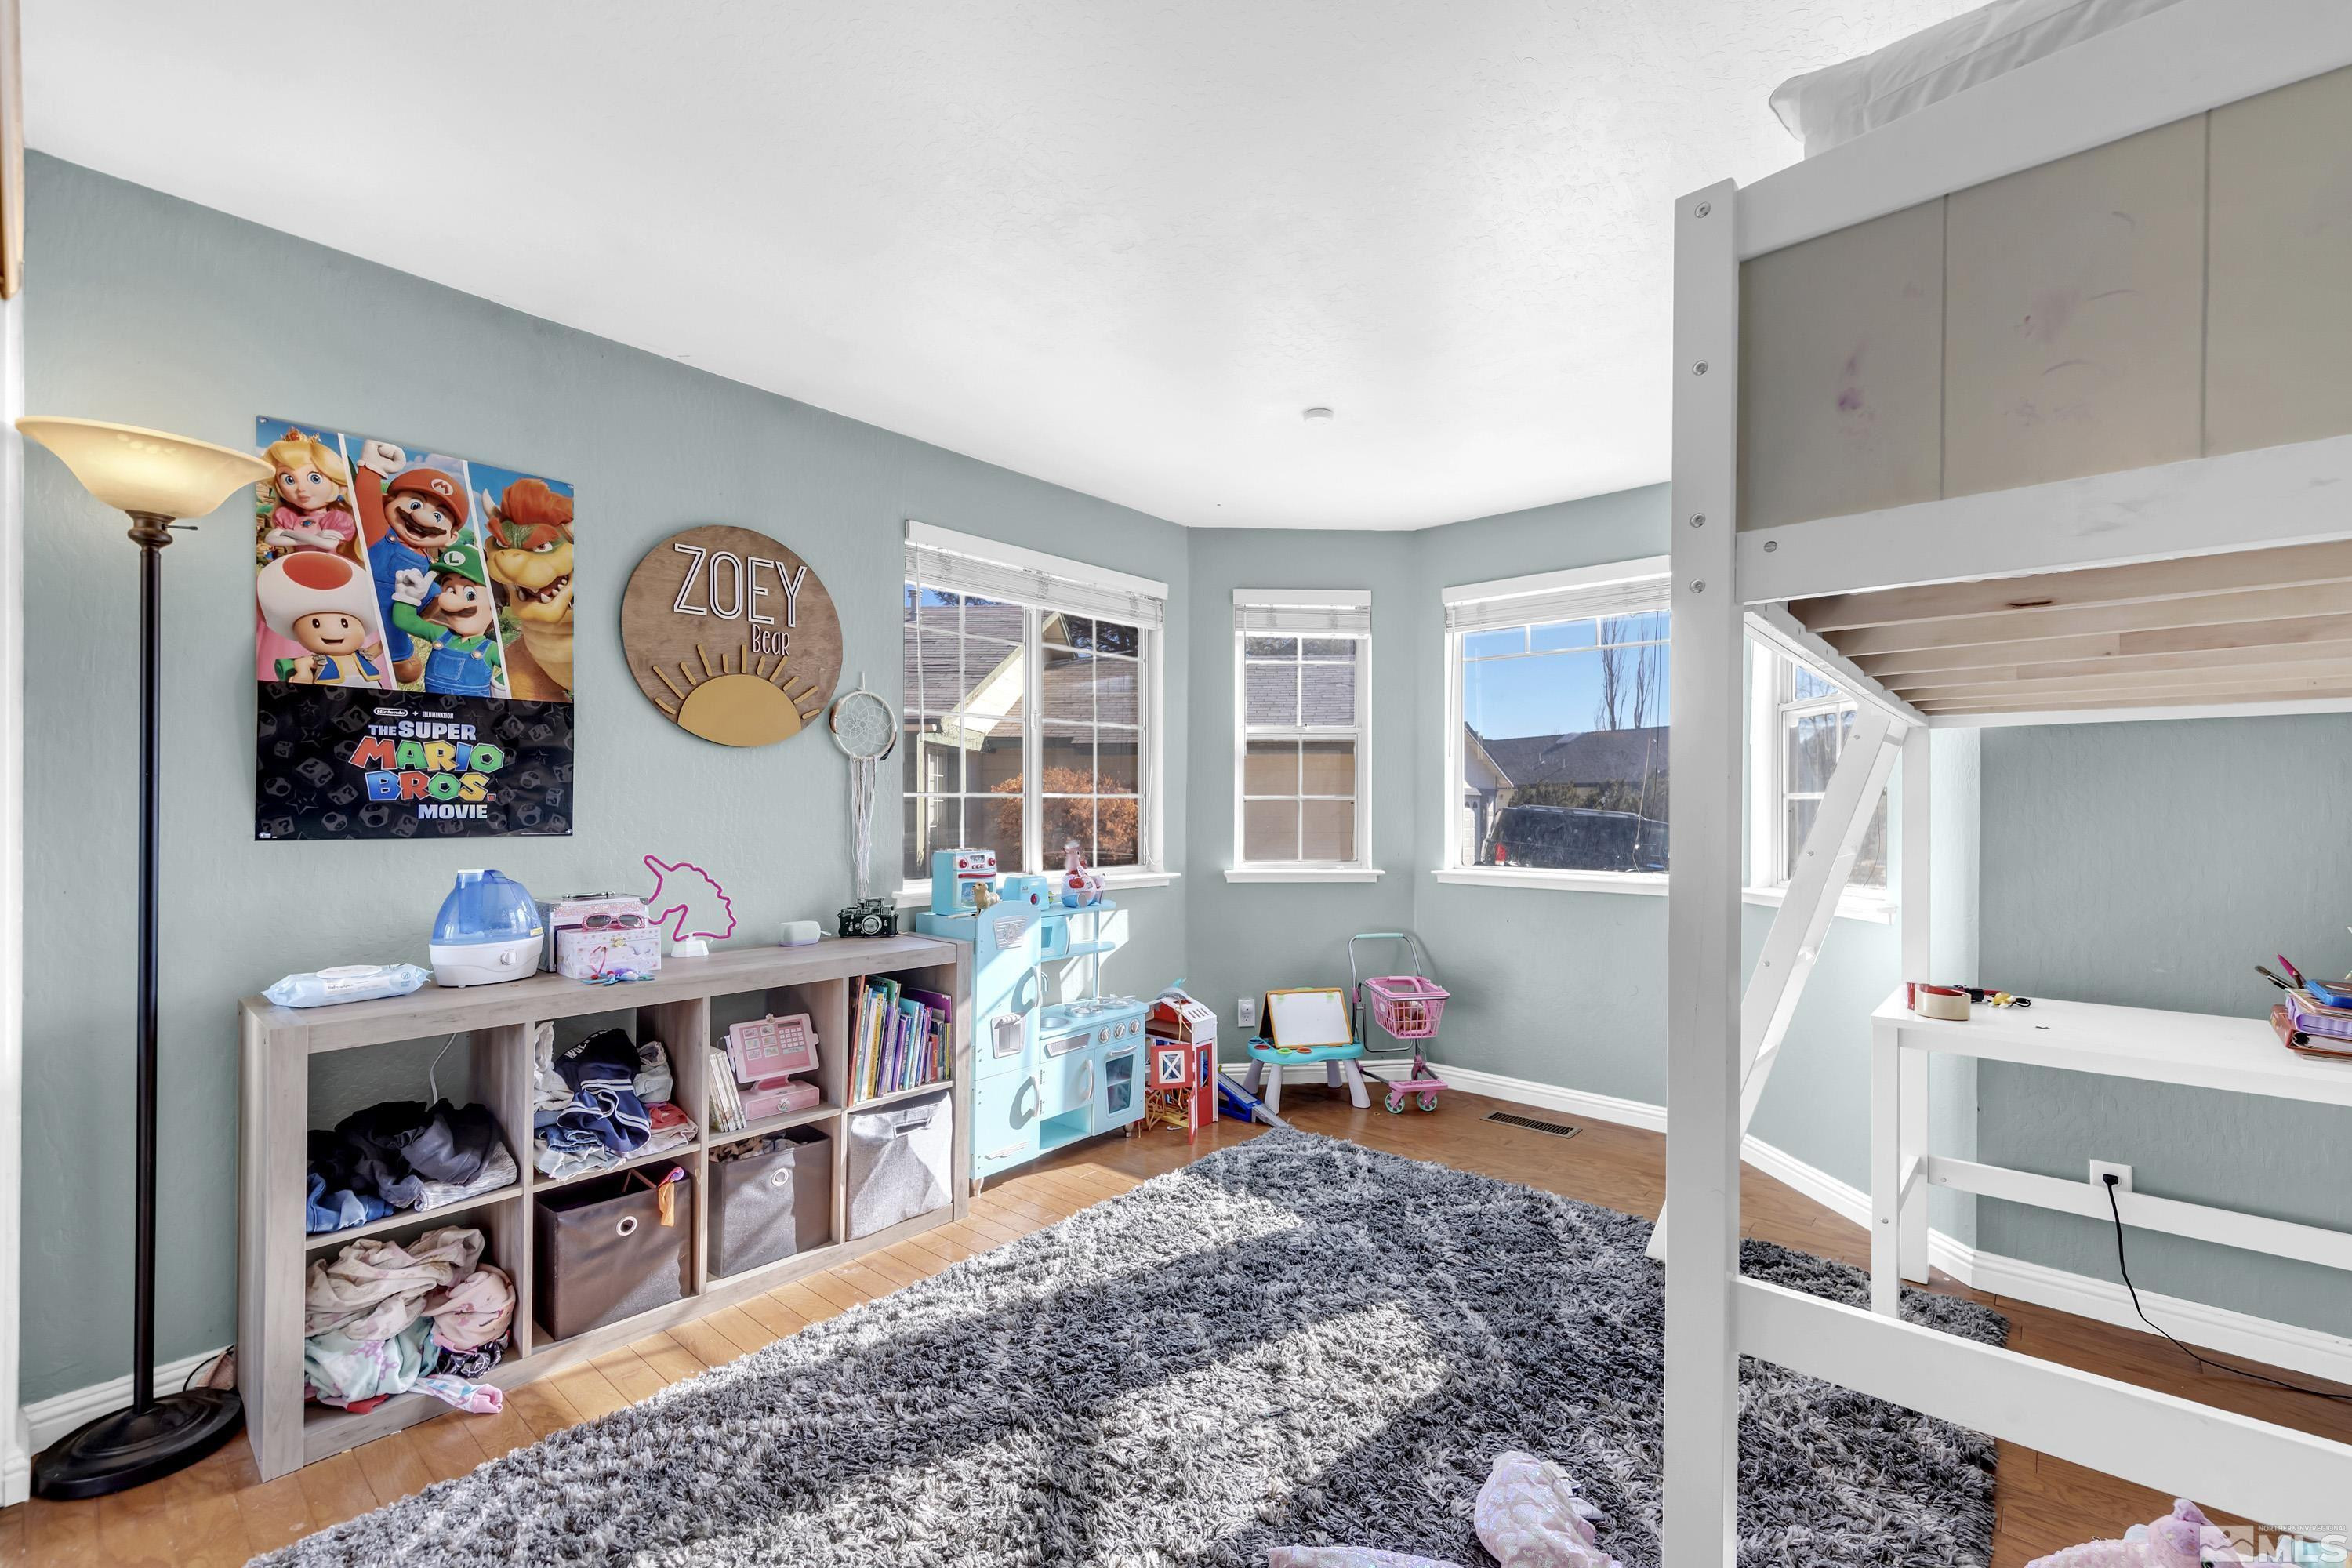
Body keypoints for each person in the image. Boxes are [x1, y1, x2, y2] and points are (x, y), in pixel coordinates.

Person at [390, 541, 505, 699]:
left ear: (495, 606)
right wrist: (407, 597)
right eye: (449, 590)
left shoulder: (490, 649)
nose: (450, 602)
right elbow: (405, 621)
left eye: (470, 594)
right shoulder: (441, 635)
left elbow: (516, 669)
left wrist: (500, 688)